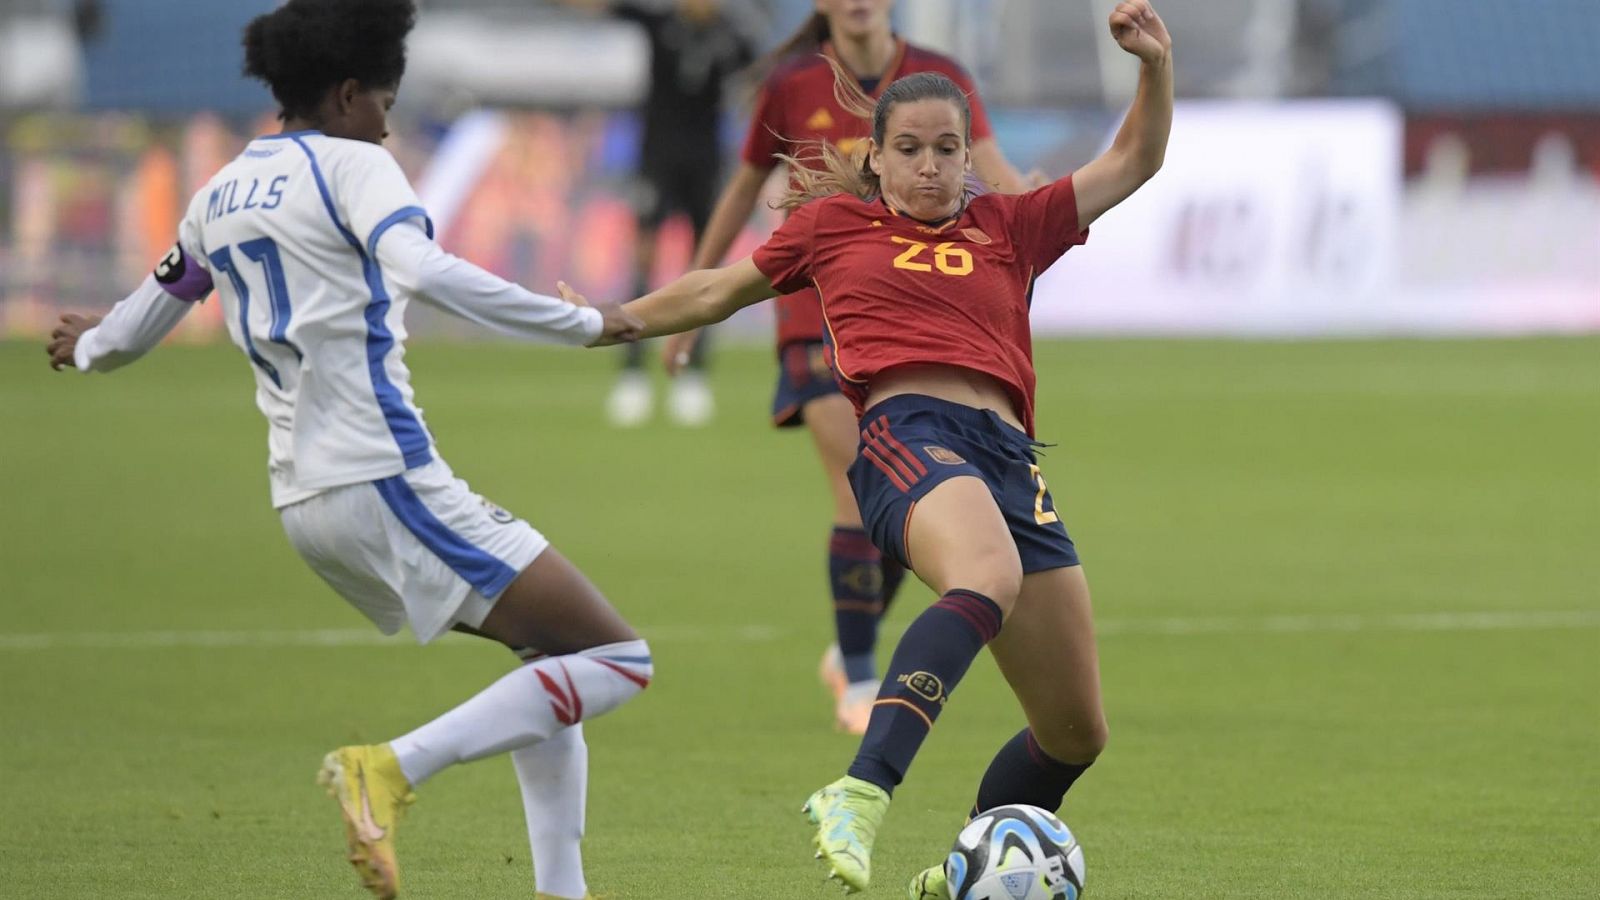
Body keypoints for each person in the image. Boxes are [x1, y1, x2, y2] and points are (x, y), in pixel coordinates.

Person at [45, 2, 650, 899]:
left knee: (550, 655)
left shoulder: (216, 194)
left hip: (303, 500)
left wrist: (89, 343)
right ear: (343, 94)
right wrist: (588, 322)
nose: (389, 123)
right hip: (384, 474)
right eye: (383, 102)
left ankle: (563, 891)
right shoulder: (358, 168)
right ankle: (393, 768)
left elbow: (142, 320)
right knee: (620, 659)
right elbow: (426, 271)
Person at [577, 2, 1174, 893]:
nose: (929, 166)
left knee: (1076, 732)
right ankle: (860, 792)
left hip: (1014, 462)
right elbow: (714, 290)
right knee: (986, 577)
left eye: (946, 149)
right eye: (910, 149)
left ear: (969, 158)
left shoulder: (1009, 226)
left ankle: (958, 874)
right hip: (908, 437)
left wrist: (1154, 66)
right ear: (875, 155)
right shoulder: (834, 230)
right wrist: (604, 320)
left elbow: (1136, 159)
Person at [661, 0, 1037, 736]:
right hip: (815, 314)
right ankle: (860, 677)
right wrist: (692, 302)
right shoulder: (793, 82)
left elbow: (996, 177)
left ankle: (848, 644)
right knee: (851, 491)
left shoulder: (941, 76)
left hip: (911, 322)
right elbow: (742, 191)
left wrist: (1041, 215)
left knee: (890, 512)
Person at [557, 0, 760, 427]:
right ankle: (632, 372)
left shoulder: (734, 35)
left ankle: (692, 371)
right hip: (657, 161)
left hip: (705, 166)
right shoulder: (660, 23)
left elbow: (762, 79)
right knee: (643, 262)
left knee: (703, 271)